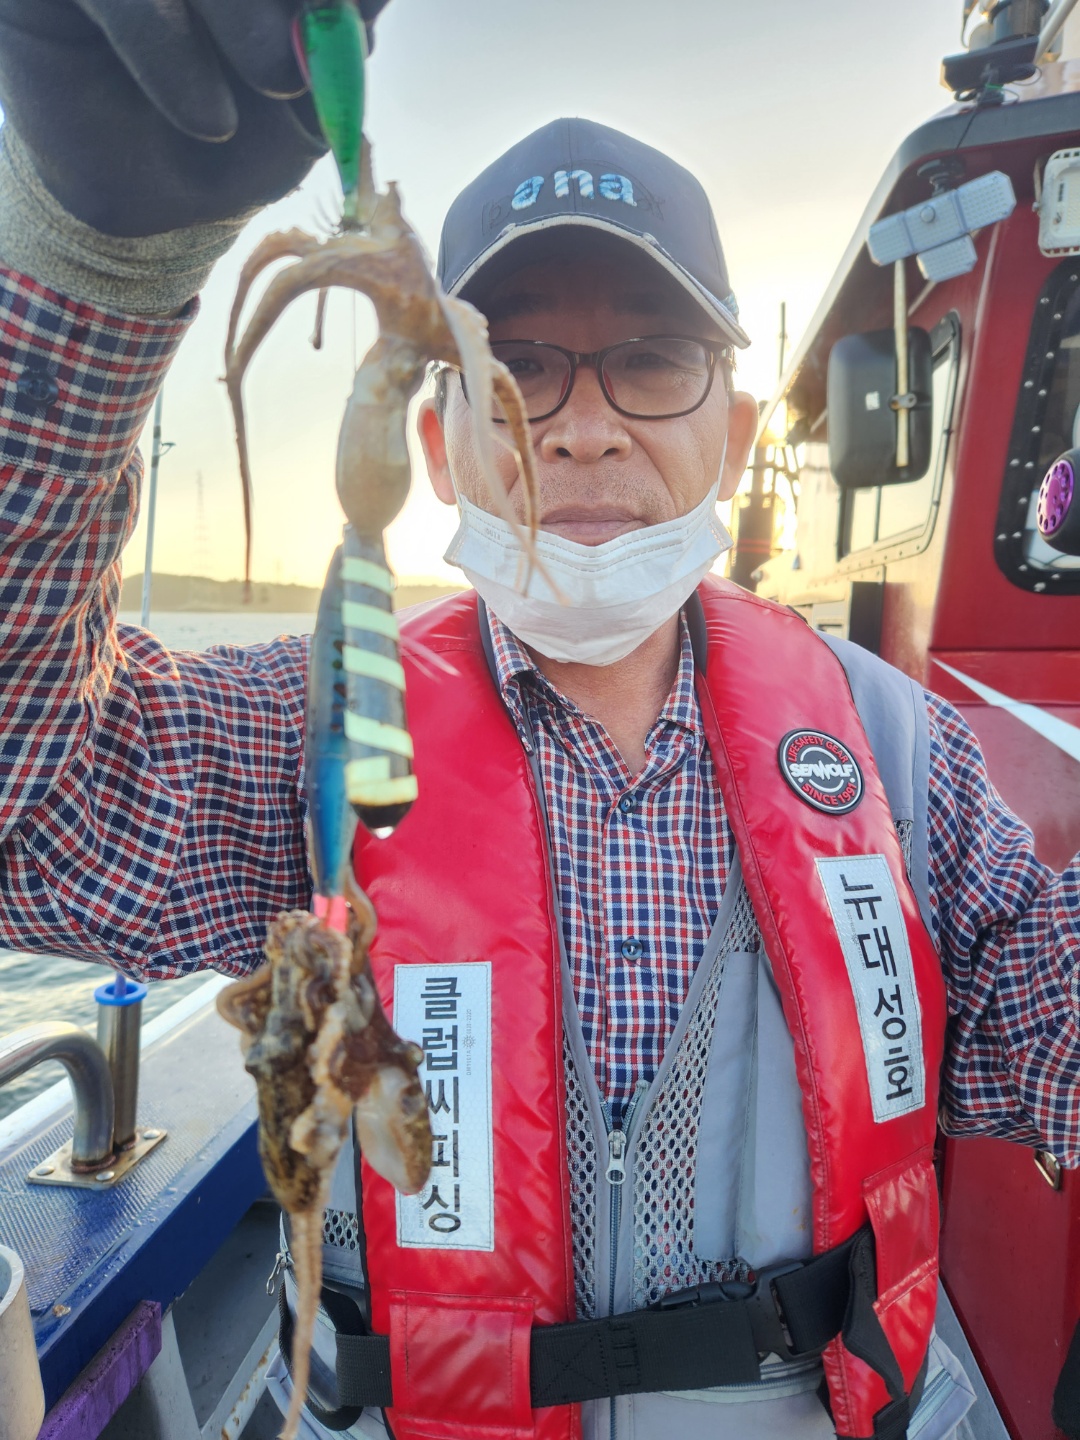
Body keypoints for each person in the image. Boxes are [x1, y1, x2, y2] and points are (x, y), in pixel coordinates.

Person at [0, 6, 1075, 1440]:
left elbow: (1048, 1026)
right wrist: (95, 265)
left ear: (736, 430)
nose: (578, 427)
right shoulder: (309, 738)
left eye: (654, 358)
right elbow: (32, 801)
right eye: (511, 367)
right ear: (437, 442)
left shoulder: (900, 754)